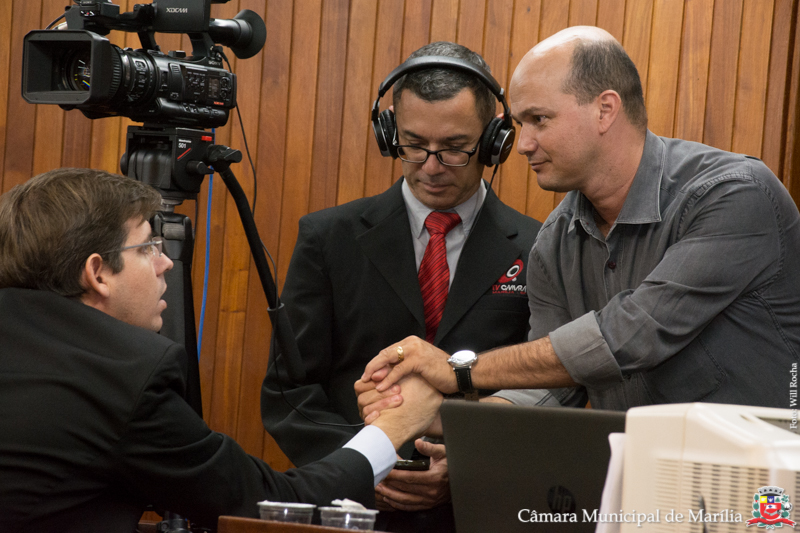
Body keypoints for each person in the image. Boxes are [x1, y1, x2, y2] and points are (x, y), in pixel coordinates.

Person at [359, 26, 800, 414]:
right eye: (520, 123)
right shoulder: (555, 240)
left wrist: (460, 370)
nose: (523, 144)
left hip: (761, 476)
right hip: (636, 476)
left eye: (539, 119)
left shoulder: (734, 193)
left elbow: (633, 335)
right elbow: (552, 388)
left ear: (605, 110)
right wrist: (441, 425)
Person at [0, 168, 442, 533]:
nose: (165, 262)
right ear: (98, 273)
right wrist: (394, 427)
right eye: (148, 246)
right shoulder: (123, 376)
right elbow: (264, 506)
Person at [260, 41, 542, 532]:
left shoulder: (539, 248)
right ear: (389, 133)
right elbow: (289, 391)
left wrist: (466, 463)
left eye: (454, 147)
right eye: (413, 144)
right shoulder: (327, 238)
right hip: (352, 509)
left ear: (494, 141)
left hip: (482, 508)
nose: (431, 166)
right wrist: (360, 465)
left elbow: (547, 388)